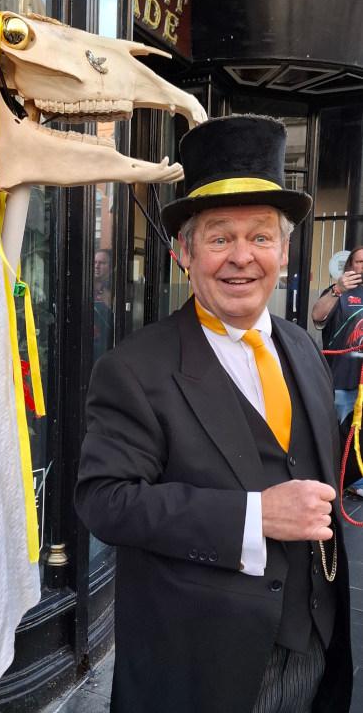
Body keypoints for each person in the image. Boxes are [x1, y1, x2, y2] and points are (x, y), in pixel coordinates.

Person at [75, 115, 353, 713]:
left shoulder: (302, 345)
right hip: (201, 667)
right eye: (219, 237)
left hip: (315, 647)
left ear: (282, 249)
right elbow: (104, 501)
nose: (241, 258)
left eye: (259, 237)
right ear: (184, 253)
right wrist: (254, 516)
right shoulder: (135, 368)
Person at [312, 246, 363, 423]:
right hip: (342, 384)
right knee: (337, 437)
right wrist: (337, 289)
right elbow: (317, 316)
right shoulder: (338, 292)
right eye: (360, 262)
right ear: (350, 266)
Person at [94, 248, 113, 362]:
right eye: (95, 262)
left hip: (106, 345)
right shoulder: (87, 285)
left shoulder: (114, 288)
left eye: (102, 263)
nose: (97, 266)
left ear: (110, 267)